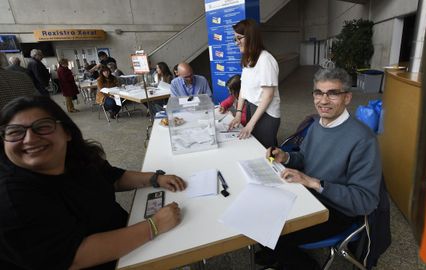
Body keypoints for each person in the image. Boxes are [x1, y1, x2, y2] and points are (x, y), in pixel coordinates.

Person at [0, 95, 186, 270]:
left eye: (42, 127)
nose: (30, 139)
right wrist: (154, 225)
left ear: (67, 132)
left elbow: (114, 178)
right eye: (15, 132)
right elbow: (74, 256)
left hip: (128, 241)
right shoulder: (12, 197)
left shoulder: (77, 157)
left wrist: (155, 178)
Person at [261, 68, 382, 269]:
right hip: (308, 195)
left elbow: (365, 201)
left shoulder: (363, 139)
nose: (323, 101)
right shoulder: (318, 124)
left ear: (347, 98)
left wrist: (314, 183)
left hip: (336, 210)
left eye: (333, 93)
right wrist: (287, 157)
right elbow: (307, 159)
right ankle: (275, 255)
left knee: (276, 231)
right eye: (319, 93)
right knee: (262, 212)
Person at [227, 19, 281, 148]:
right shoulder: (248, 59)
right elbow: (243, 89)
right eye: (235, 39)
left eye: (239, 38)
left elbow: (268, 96)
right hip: (252, 107)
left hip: (266, 112)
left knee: (265, 148)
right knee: (254, 143)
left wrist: (251, 124)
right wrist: (238, 113)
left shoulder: (265, 60)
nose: (237, 43)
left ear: (251, 37)